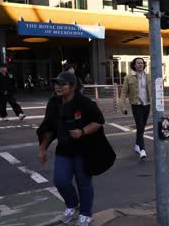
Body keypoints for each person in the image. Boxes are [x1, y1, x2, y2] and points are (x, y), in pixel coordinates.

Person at [37, 72, 105, 226]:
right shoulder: (53, 103)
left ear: (73, 87)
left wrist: (83, 131)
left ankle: (85, 214)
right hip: (64, 149)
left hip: (84, 150)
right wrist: (42, 149)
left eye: (62, 84)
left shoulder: (85, 103)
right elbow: (48, 127)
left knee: (84, 184)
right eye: (56, 84)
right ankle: (72, 203)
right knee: (60, 181)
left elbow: (99, 121)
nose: (58, 87)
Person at [120, 57, 151, 159]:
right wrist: (123, 106)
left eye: (142, 63)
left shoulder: (148, 76)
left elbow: (153, 89)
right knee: (140, 126)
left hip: (147, 104)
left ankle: (137, 145)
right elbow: (124, 92)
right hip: (136, 105)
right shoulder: (128, 77)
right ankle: (142, 150)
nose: (140, 65)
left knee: (141, 128)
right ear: (134, 65)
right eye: (138, 63)